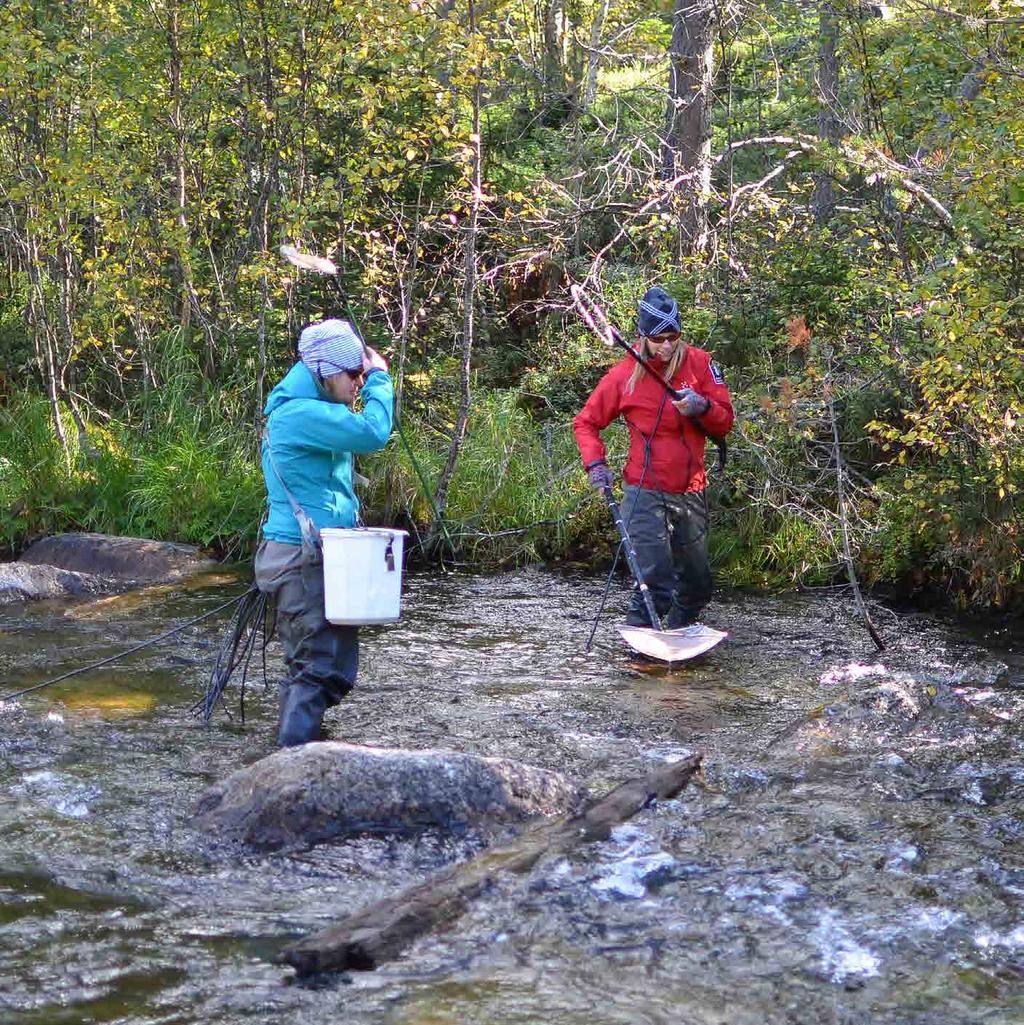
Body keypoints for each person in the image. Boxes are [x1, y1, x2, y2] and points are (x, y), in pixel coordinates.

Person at [254, 318, 393, 746]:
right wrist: (381, 380)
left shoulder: (310, 408)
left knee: (314, 669)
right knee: (318, 670)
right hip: (302, 562)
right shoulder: (299, 414)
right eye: (353, 374)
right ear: (327, 372)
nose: (358, 382)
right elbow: (373, 431)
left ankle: (289, 757)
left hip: (315, 558)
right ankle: (292, 770)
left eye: (362, 374)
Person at [573, 286, 734, 630]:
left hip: (691, 489)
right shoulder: (622, 377)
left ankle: (676, 642)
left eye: (673, 337)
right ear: (642, 337)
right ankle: (639, 659)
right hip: (644, 491)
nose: (667, 346)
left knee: (696, 586)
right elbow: (586, 423)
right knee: (655, 586)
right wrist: (596, 465)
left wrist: (702, 406)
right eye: (658, 338)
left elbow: (725, 421)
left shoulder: (701, 365)